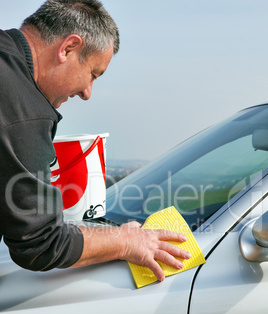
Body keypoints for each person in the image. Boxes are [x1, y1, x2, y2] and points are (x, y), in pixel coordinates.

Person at [0, 0, 190, 283]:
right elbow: (40, 243)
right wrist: (125, 241)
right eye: (93, 74)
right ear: (68, 48)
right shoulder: (21, 108)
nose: (87, 93)